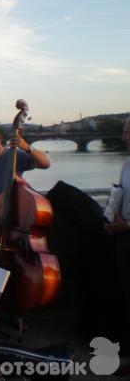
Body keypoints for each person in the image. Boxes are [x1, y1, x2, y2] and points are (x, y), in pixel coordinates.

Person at [105, 117, 130, 355]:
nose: (123, 137)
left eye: (127, 133)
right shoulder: (126, 163)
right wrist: (112, 217)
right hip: (123, 236)